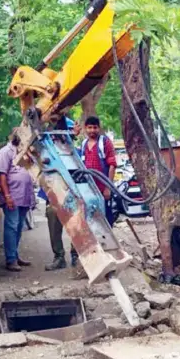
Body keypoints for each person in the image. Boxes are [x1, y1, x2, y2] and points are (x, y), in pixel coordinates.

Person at [44, 113, 79, 270]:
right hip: (52, 181)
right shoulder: (42, 129)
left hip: (71, 180)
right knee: (52, 215)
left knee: (76, 218)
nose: (54, 117)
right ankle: (59, 257)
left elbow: (74, 136)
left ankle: (76, 254)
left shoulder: (69, 126)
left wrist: (75, 133)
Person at [0, 134, 35, 271]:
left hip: (24, 196)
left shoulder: (24, 151)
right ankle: (10, 259)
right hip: (12, 196)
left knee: (18, 227)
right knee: (12, 226)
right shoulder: (5, 152)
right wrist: (7, 196)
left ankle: (15, 255)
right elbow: (2, 175)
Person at [79, 115, 117, 227]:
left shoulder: (105, 142)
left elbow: (112, 165)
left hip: (102, 189)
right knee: (90, 220)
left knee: (106, 220)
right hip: (89, 189)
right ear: (85, 128)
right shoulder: (83, 144)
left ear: (99, 128)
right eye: (89, 127)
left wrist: (108, 188)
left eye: (95, 127)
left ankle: (108, 244)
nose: (92, 130)